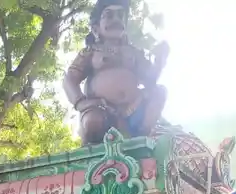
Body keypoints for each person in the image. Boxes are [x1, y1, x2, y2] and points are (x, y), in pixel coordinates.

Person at [63, 0, 169, 144]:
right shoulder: (91, 52)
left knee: (159, 92)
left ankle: (142, 138)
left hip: (134, 106)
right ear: (96, 28)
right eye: (109, 15)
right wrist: (81, 103)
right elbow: (70, 79)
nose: (116, 20)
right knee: (92, 122)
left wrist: (159, 63)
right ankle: (94, 155)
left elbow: (149, 81)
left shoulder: (134, 53)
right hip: (101, 109)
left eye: (120, 16)